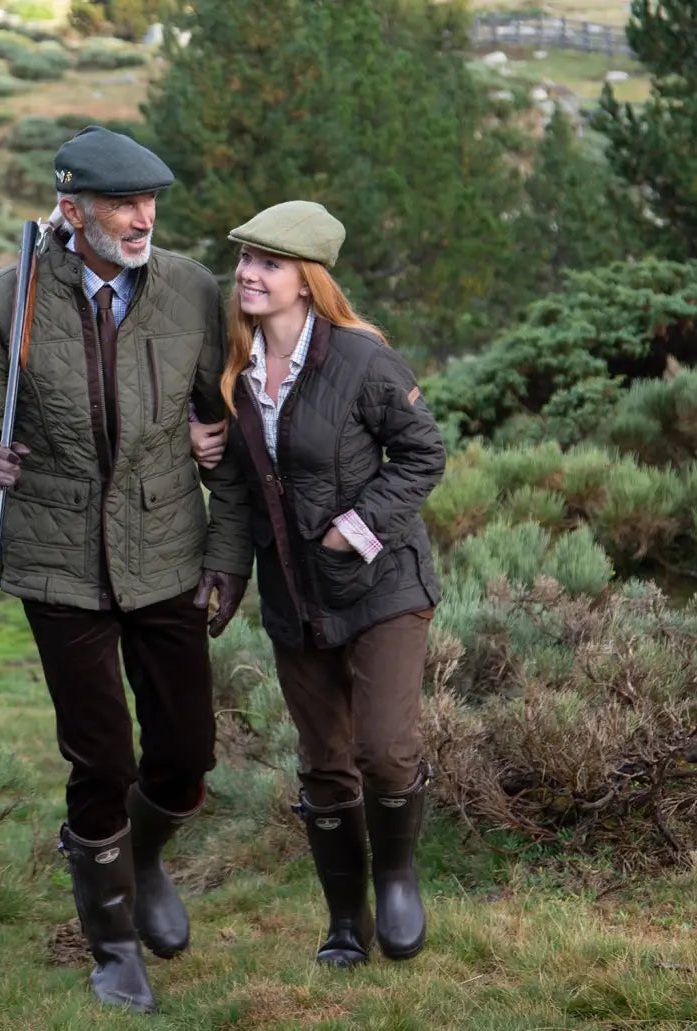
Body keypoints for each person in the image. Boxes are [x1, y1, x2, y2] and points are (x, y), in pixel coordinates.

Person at [0, 126, 252, 1013]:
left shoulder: (193, 290)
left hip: (167, 552)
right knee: (102, 756)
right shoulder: (9, 299)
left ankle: (143, 860)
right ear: (72, 210)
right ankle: (113, 946)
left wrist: (228, 554)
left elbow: (225, 437)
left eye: (150, 201)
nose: (142, 217)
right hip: (56, 559)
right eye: (122, 203)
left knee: (188, 752)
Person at [211, 200, 445, 968]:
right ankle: (347, 921)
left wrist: (357, 526)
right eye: (246, 258)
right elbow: (240, 489)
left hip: (383, 585)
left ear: (306, 281)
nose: (249, 272)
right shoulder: (232, 368)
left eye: (268, 263)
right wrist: (223, 573)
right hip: (294, 595)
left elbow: (422, 455)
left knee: (383, 748)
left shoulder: (360, 358)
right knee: (324, 762)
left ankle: (400, 879)